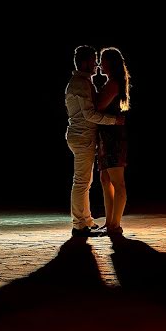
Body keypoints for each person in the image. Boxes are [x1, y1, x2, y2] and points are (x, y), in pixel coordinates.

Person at [64, 45, 124, 237]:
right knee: (82, 181)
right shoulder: (80, 84)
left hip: (82, 137)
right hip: (82, 137)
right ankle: (79, 224)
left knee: (84, 181)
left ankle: (85, 220)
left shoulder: (83, 82)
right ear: (84, 62)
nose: (96, 64)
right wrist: (114, 120)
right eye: (93, 60)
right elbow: (89, 114)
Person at [96, 47, 130, 236]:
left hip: (113, 137)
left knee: (118, 182)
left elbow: (99, 105)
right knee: (105, 179)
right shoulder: (110, 83)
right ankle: (109, 222)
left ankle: (114, 224)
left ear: (111, 63)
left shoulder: (113, 84)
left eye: (103, 60)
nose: (100, 64)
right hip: (105, 137)